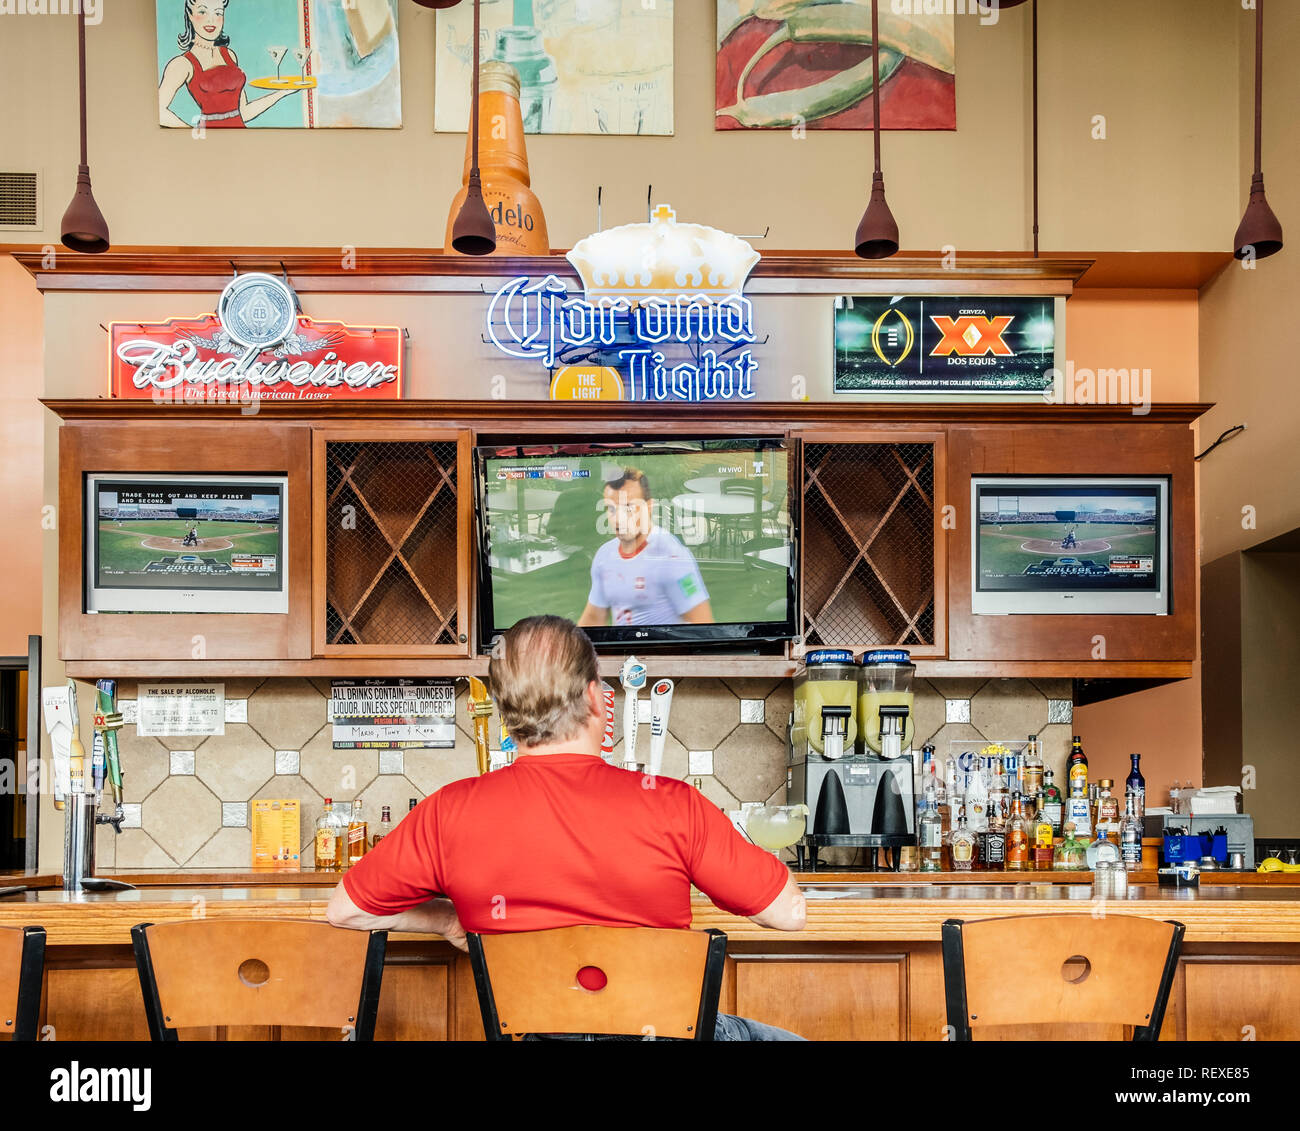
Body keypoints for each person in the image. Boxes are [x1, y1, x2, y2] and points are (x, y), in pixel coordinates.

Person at [328, 615, 807, 1041]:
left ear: (505, 713)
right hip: (663, 1031)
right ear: (596, 699)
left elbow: (346, 911)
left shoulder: (448, 810)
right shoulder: (673, 803)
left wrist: (448, 920)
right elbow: (788, 914)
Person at [577, 468, 714, 627]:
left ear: (649, 507)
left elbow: (703, 623)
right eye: (612, 509)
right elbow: (593, 619)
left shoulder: (672, 556)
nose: (618, 519)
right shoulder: (604, 555)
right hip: (623, 651)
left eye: (629, 508)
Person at [158, 1, 304, 129]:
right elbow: (160, 111)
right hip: (210, 142)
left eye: (218, 13)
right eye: (203, 11)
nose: (211, 20)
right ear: (189, 15)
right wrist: (192, 133)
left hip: (240, 136)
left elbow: (244, 112)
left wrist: (282, 92)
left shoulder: (229, 55)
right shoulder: (182, 63)